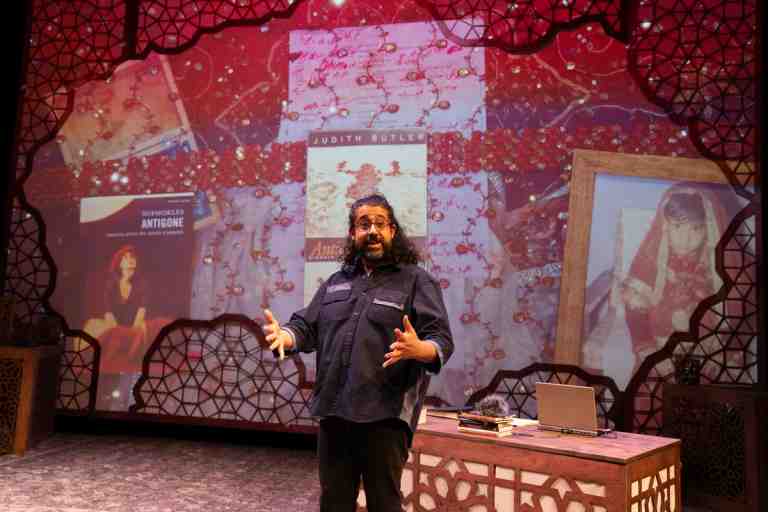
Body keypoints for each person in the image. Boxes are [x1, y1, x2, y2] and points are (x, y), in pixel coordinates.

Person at [262, 194, 453, 512]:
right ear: (353, 234)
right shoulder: (337, 282)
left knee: (383, 504)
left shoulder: (417, 281)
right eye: (364, 224)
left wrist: (420, 348)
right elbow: (306, 327)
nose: (373, 231)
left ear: (392, 230)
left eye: (380, 223)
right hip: (335, 412)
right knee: (334, 502)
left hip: (386, 416)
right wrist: (286, 336)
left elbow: (441, 339)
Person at [621, 183, 728, 368]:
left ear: (709, 229)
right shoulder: (650, 260)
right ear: (665, 226)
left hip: (709, 354)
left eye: (696, 229)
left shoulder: (721, 266)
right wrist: (648, 351)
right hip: (658, 350)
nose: (686, 239)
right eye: (677, 227)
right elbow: (635, 314)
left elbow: (737, 316)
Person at [83, 244, 169, 374]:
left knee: (149, 330)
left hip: (134, 327)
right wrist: (118, 332)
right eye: (125, 257)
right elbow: (108, 314)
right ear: (119, 263)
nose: (130, 260)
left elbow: (141, 313)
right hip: (113, 326)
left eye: (133, 257)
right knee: (97, 331)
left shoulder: (142, 284)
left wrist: (130, 333)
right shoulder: (110, 284)